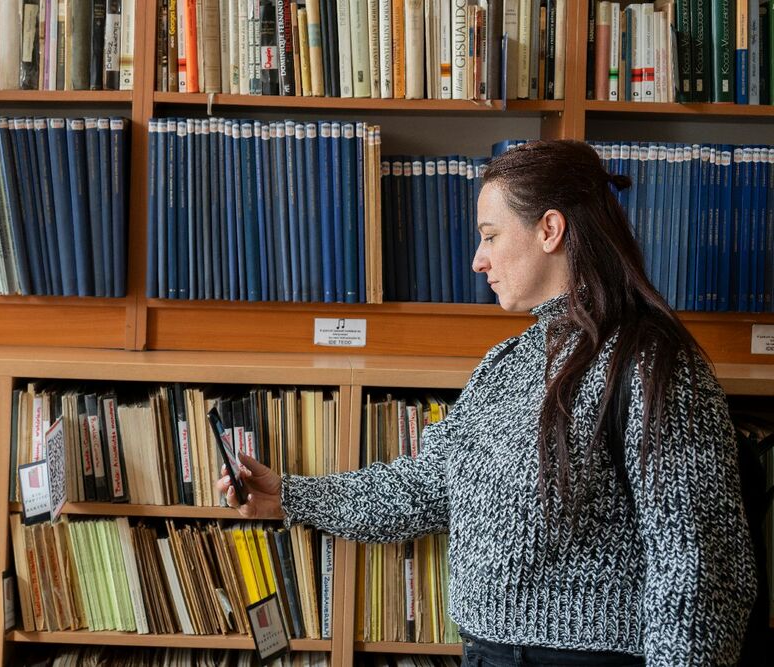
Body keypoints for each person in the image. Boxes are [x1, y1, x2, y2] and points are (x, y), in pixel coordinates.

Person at [216, 140, 757, 666]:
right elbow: (426, 488)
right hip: (484, 651)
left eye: (491, 236)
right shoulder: (506, 363)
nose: (478, 260)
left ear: (550, 229)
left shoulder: (654, 362)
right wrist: (289, 497)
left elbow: (701, 569)